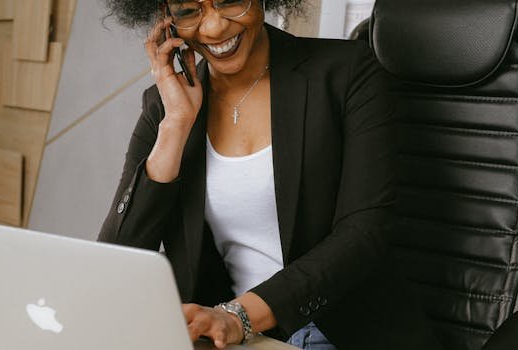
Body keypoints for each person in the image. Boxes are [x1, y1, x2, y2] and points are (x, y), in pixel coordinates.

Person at [99, 0, 442, 348]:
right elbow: (115, 260)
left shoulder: (346, 72)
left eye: (230, 0)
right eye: (189, 10)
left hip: (341, 330)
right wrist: (176, 124)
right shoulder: (165, 106)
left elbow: (364, 231)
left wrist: (238, 316)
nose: (214, 27)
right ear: (165, 19)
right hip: (223, 337)